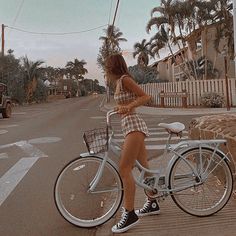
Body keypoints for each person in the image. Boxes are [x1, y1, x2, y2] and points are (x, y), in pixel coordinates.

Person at [105, 53, 160, 234]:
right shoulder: (119, 82)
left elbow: (145, 97)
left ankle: (129, 214)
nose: (105, 70)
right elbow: (127, 102)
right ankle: (152, 202)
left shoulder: (125, 79)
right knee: (145, 168)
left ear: (113, 67)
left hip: (134, 127)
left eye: (107, 67)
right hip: (129, 126)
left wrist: (128, 107)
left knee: (124, 169)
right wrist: (121, 107)